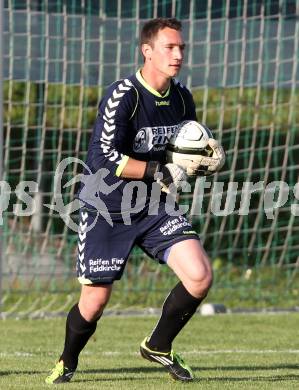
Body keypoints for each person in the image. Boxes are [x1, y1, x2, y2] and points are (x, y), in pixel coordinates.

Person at [45, 17, 225, 384]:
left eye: (181, 48)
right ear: (147, 50)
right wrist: (158, 171)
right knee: (94, 302)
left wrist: (198, 161)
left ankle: (158, 346)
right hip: (108, 207)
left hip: (153, 206)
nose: (177, 55)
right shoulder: (123, 95)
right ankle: (67, 360)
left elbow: (180, 149)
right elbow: (102, 158)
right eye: (169, 47)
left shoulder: (181, 97)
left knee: (200, 276)